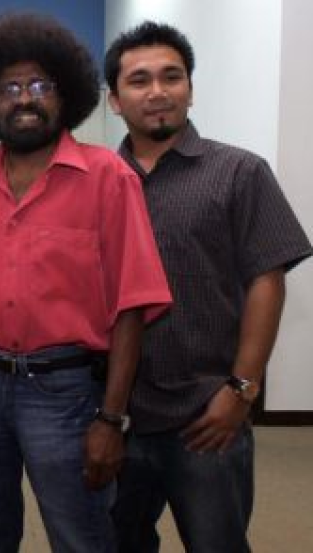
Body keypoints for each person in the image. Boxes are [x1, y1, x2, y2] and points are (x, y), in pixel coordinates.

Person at [0, 12, 173, 552]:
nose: (24, 99)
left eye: (40, 86)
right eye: (9, 88)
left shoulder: (108, 178)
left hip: (65, 393)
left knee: (81, 537)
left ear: (66, 94)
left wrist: (111, 419)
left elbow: (133, 305)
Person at [103, 21, 313, 552]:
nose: (158, 91)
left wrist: (241, 390)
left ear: (190, 90)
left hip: (206, 415)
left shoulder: (240, 172)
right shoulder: (97, 181)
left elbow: (267, 280)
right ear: (114, 100)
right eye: (139, 80)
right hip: (115, 415)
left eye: (171, 77)